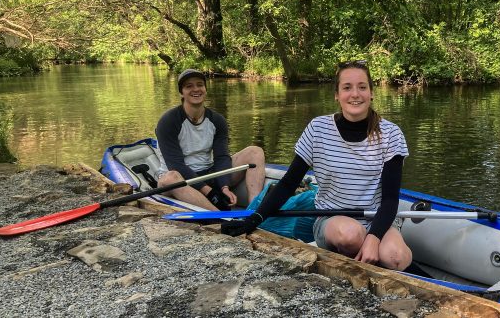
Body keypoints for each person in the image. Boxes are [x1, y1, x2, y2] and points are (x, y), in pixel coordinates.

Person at [222, 60, 412, 271]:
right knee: (351, 235)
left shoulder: (391, 134)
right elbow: (288, 183)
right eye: (347, 87)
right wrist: (255, 218)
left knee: (396, 257)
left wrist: (374, 238)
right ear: (337, 95)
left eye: (362, 87)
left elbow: (390, 199)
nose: (355, 94)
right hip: (332, 220)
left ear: (371, 93)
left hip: (377, 217)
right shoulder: (318, 129)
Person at [155, 69, 265, 211]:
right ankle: (220, 216)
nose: (196, 89)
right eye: (189, 86)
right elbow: (176, 165)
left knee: (255, 152)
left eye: (200, 85)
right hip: (180, 179)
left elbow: (221, 156)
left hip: (209, 173)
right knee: (170, 178)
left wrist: (224, 186)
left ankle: (255, 208)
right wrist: (210, 192)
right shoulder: (168, 121)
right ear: (181, 92)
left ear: (205, 89)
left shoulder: (217, 120)